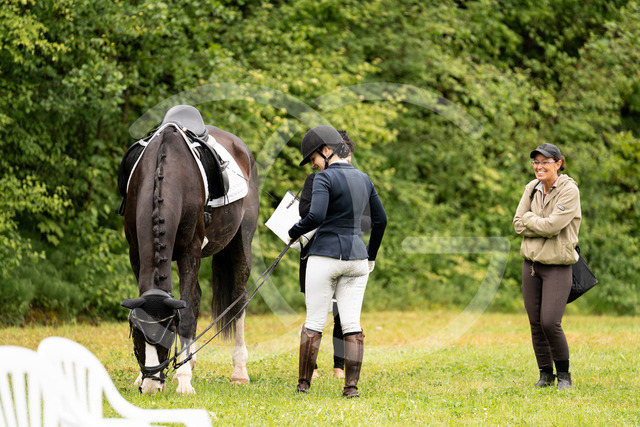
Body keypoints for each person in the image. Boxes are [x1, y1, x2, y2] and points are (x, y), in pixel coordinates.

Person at [289, 125, 387, 397]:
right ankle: (351, 387)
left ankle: (304, 384)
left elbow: (316, 216)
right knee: (352, 324)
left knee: (314, 322)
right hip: (357, 259)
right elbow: (381, 220)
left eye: (313, 159)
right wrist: (370, 255)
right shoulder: (364, 178)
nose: (313, 165)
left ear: (326, 150)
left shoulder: (324, 178)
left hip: (325, 256)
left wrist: (294, 231)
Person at [513, 143, 581, 390]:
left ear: (558, 163)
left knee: (550, 322)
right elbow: (517, 224)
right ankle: (545, 375)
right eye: (536, 162)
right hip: (531, 265)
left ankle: (564, 376)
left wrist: (531, 219)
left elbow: (553, 226)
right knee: (535, 323)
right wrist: (537, 223)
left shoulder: (569, 190)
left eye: (545, 162)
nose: (539, 167)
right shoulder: (531, 188)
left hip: (557, 266)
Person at [298, 131, 357, 380]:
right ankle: (311, 367)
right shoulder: (314, 180)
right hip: (316, 252)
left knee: (342, 315)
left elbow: (363, 218)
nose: (313, 164)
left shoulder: (356, 181)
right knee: (316, 312)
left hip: (344, 252)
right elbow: (305, 211)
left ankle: (339, 366)